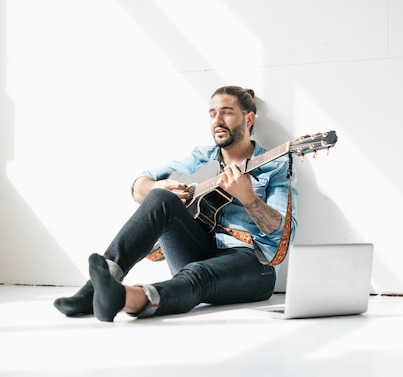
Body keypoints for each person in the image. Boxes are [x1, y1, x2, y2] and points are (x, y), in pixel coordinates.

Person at [54, 86, 298, 322]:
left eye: (227, 112)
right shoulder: (201, 157)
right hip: (199, 250)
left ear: (249, 119)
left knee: (198, 274)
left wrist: (248, 198)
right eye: (212, 113)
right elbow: (139, 185)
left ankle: (124, 298)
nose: (217, 120)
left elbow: (280, 233)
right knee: (161, 197)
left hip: (252, 264)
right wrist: (153, 186)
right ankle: (94, 289)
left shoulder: (274, 166)